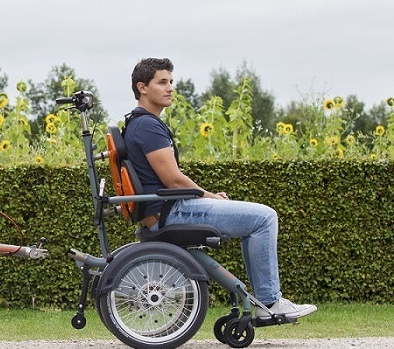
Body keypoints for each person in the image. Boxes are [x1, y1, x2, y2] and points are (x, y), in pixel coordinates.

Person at [123, 57, 316, 320]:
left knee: (258, 218)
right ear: (142, 87)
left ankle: (265, 302)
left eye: (171, 82)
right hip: (172, 212)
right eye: (162, 82)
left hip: (166, 210)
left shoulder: (140, 123)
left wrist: (209, 196)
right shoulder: (147, 125)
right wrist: (212, 196)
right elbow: (174, 180)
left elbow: (172, 180)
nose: (170, 88)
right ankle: (270, 302)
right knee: (264, 218)